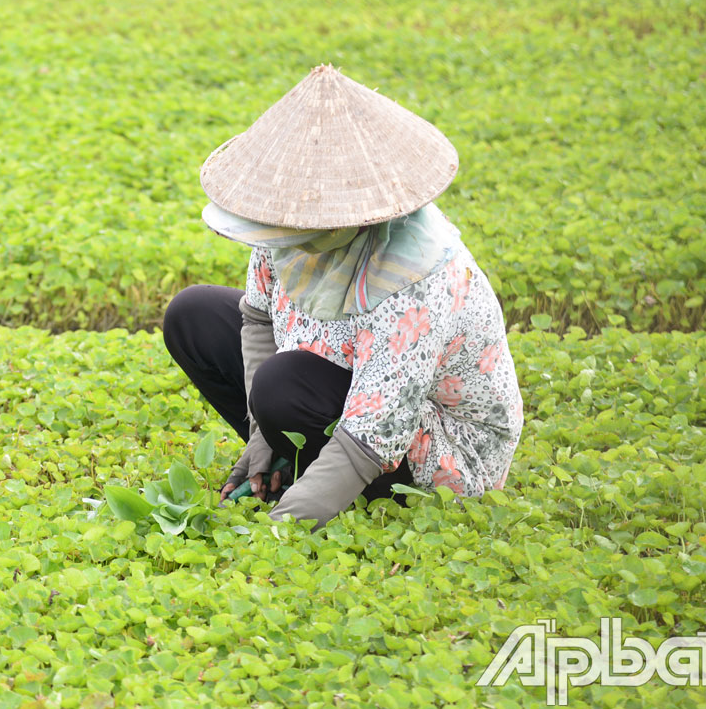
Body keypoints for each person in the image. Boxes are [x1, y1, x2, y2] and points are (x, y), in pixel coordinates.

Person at [163, 65, 524, 528]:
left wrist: (277, 530)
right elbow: (259, 321)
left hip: (434, 448)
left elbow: (374, 433)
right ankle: (292, 462)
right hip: (333, 381)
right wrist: (261, 440)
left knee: (280, 386)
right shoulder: (285, 215)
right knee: (194, 315)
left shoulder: (417, 278)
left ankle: (324, 489)